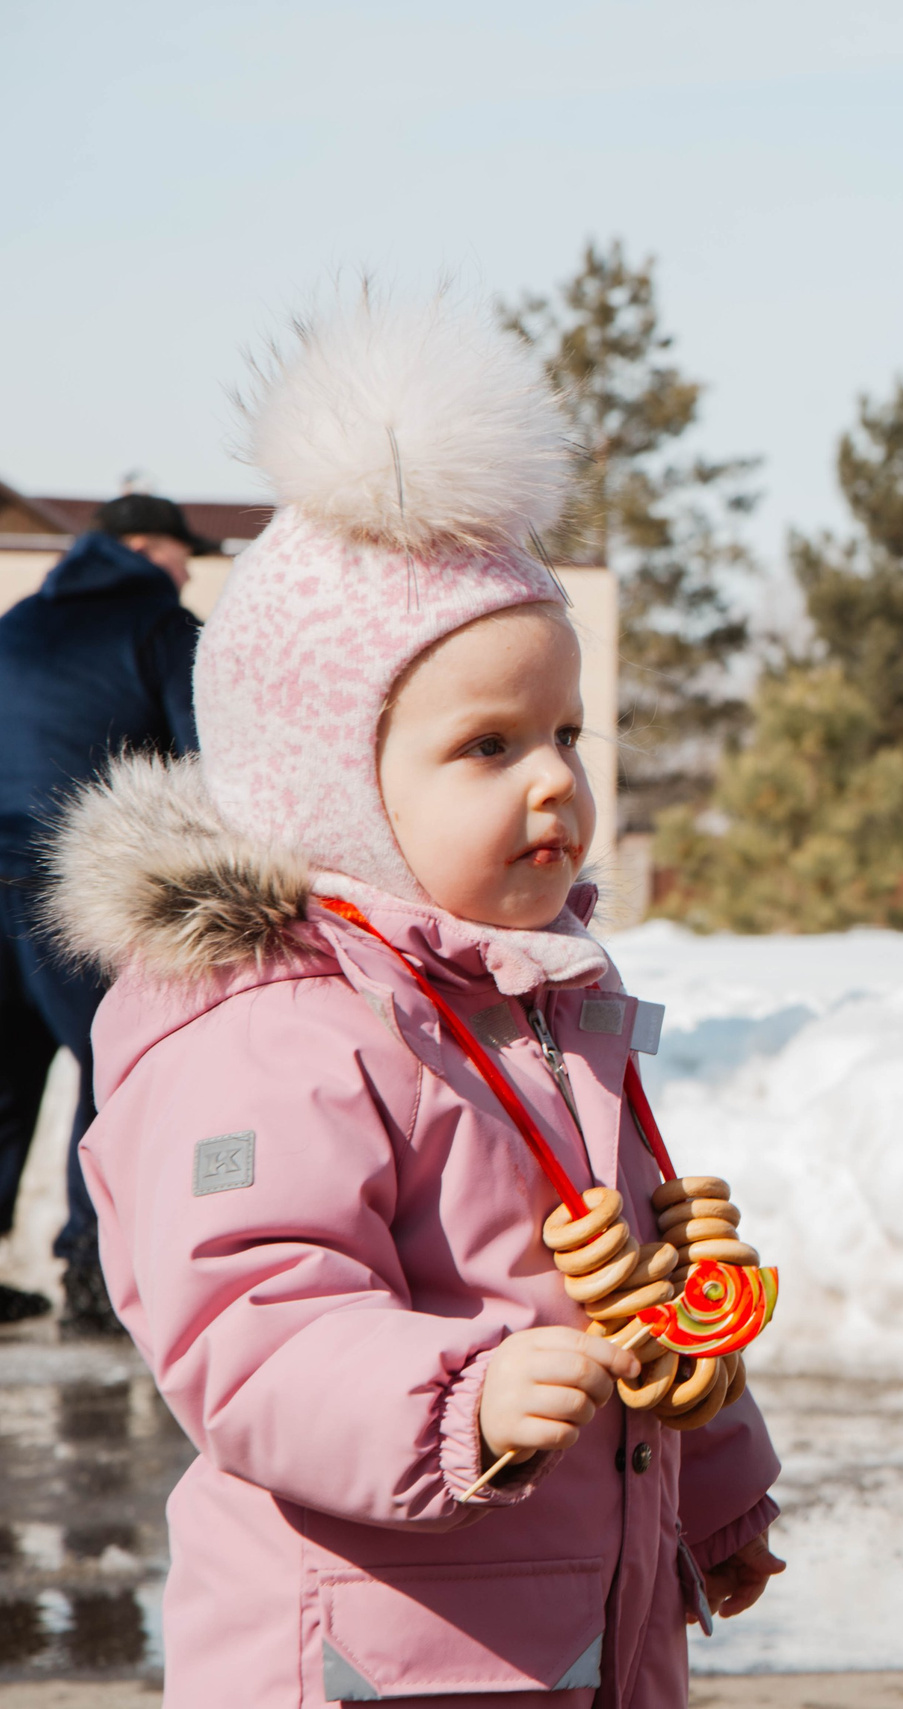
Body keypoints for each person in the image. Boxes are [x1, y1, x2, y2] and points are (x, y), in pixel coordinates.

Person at [43, 294, 781, 1706]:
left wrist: (714, 1492)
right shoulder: (271, 1020)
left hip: (571, 1636)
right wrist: (464, 1397)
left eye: (566, 731)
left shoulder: (542, 1008)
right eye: (488, 745)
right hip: (363, 1655)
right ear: (337, 781)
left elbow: (633, 1294)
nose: (555, 779)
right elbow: (250, 1319)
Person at [0, 491, 208, 1331]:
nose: (189, 568)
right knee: (116, 1064)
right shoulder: (163, 625)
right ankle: (92, 1268)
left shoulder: (16, 622)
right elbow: (203, 757)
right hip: (76, 884)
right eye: (183, 552)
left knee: (4, 1080)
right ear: (148, 547)